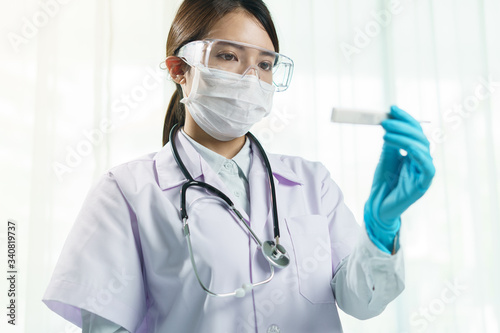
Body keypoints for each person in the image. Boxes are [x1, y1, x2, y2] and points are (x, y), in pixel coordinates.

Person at [42, 0, 435, 332]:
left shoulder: (311, 182)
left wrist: (383, 228)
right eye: (229, 56)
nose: (251, 78)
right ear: (179, 69)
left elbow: (363, 302)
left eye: (265, 65)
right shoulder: (127, 192)